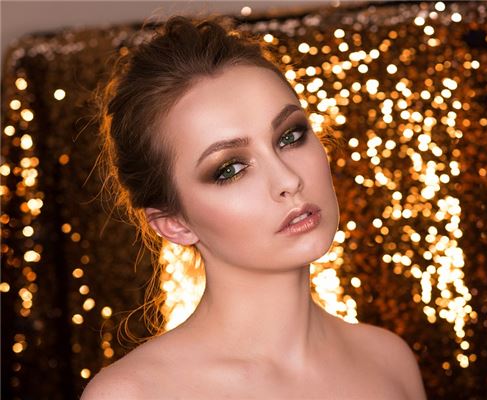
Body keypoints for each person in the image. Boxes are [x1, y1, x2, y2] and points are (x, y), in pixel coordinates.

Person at [81, 14, 427, 400]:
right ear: (174, 223)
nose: (288, 180)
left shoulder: (388, 360)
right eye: (230, 169)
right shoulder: (134, 394)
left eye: (290, 136)